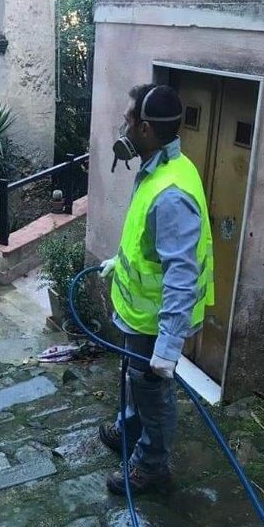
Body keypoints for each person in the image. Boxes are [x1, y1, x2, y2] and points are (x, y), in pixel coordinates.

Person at [98, 84, 214, 495]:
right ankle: (128, 430)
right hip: (138, 315)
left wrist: (168, 347)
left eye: (130, 120)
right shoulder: (161, 167)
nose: (125, 126)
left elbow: (181, 276)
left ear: (145, 129)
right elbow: (150, 244)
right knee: (135, 380)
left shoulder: (172, 192)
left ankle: (152, 465)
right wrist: (118, 260)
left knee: (153, 390)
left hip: (155, 321)